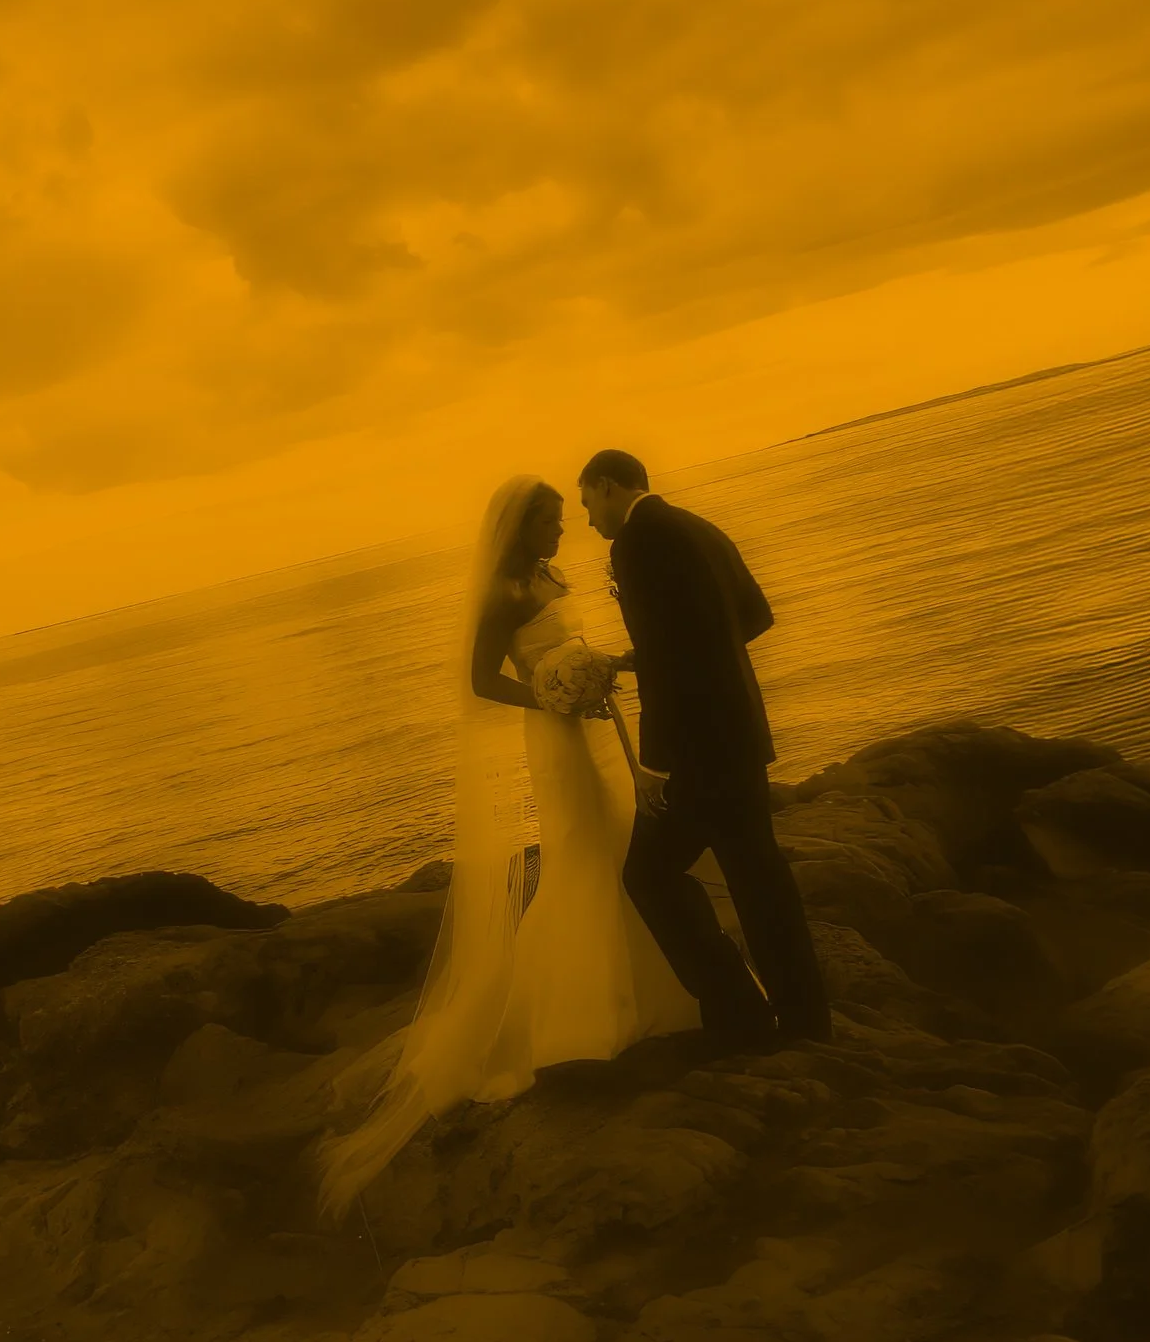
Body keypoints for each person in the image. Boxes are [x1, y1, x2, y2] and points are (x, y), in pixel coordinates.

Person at [316, 474, 698, 1215]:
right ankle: (579, 1015)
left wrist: (598, 674)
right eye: (553, 523)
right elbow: (480, 681)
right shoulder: (503, 595)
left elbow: (573, 641)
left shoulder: (552, 577)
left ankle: (654, 985)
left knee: (620, 845)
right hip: (554, 733)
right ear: (523, 527)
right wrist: (550, 696)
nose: (564, 533)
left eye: (564, 520)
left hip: (589, 721)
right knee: (584, 857)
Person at [576, 448, 831, 1050]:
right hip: (741, 732)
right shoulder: (698, 526)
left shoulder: (637, 542)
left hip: (694, 750)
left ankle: (735, 1007)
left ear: (609, 487)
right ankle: (805, 1020)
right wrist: (694, 654)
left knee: (648, 876)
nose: (589, 521)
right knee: (759, 877)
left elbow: (673, 653)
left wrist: (654, 762)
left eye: (588, 503)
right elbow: (754, 615)